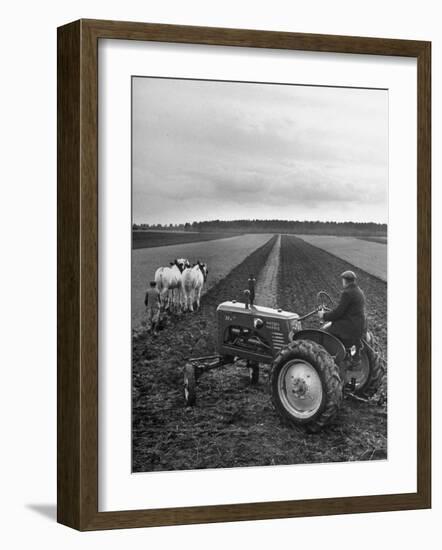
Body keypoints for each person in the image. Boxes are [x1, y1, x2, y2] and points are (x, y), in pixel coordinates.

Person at [318, 270, 367, 350]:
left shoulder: (347, 293)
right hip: (359, 326)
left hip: (349, 327)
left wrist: (323, 315)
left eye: (342, 280)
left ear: (345, 280)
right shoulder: (359, 291)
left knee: (323, 333)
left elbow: (338, 313)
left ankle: (329, 357)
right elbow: (348, 310)